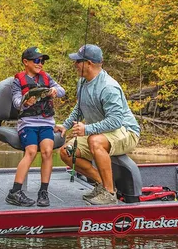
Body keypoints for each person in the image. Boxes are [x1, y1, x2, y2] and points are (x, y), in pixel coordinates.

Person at [55, 44, 140, 205]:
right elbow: (79, 107)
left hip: (126, 131)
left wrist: (87, 129)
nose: (75, 65)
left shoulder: (109, 87)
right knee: (67, 152)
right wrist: (66, 126)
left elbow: (116, 121)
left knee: (94, 140)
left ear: (89, 63)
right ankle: (103, 184)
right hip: (101, 132)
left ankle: (109, 193)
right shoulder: (82, 82)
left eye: (78, 61)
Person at [5, 46, 65, 207]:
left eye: (42, 61)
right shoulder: (18, 81)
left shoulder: (47, 77)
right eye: (37, 60)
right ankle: (15, 192)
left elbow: (62, 90)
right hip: (28, 124)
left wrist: (54, 91)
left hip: (46, 123)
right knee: (31, 151)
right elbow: (17, 102)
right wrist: (26, 102)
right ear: (26, 62)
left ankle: (43, 191)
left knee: (47, 151)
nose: (40, 64)